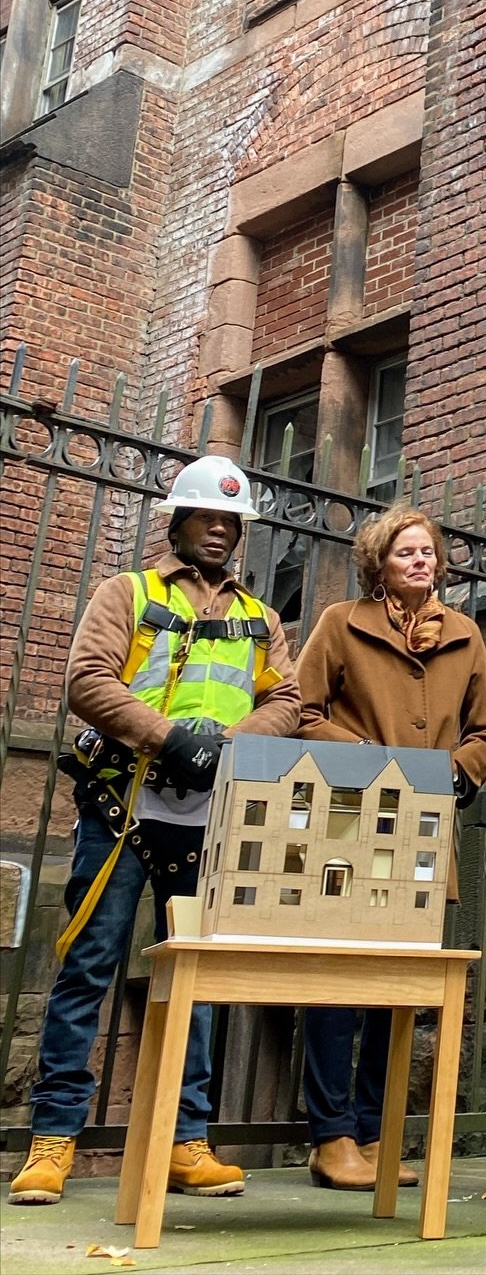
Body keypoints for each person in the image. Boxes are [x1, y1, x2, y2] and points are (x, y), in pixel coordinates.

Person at [8, 457, 300, 1207]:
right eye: (207, 517)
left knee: (196, 979)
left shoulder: (262, 617)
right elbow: (87, 679)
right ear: (178, 521)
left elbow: (288, 700)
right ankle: (54, 1137)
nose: (220, 530)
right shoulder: (128, 593)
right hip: (124, 804)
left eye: (231, 521)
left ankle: (184, 1138)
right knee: (89, 967)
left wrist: (225, 747)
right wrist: (170, 739)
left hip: (208, 816)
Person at [295, 504, 486, 1191]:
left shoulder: (466, 636)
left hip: (422, 826)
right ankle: (331, 1136)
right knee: (336, 984)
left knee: (397, 988)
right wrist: (362, 756)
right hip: (348, 820)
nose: (420, 561)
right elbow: (301, 710)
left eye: (428, 552)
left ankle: (374, 1132)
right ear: (378, 564)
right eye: (404, 552)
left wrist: (457, 771)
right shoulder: (341, 624)